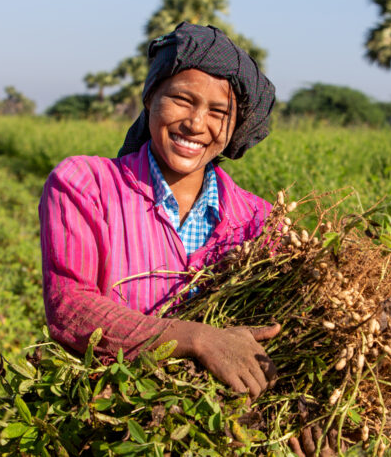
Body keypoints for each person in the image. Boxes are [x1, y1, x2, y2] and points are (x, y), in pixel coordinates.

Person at [40, 22, 333, 455]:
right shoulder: (85, 184)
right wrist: (197, 339)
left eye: (219, 112)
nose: (196, 123)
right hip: (115, 432)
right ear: (150, 98)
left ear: (236, 127)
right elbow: (71, 307)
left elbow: (281, 330)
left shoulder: (259, 220)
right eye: (182, 99)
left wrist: (302, 399)